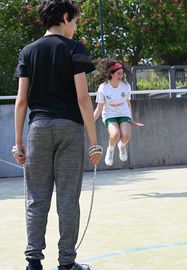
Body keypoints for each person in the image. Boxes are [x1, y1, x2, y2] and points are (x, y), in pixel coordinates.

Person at [12, 1, 102, 270]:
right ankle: (66, 263)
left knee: (36, 198)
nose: (75, 26)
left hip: (38, 129)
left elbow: (21, 100)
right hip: (69, 129)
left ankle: (33, 263)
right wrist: (94, 142)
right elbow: (84, 100)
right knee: (67, 199)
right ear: (65, 17)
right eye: (75, 20)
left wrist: (18, 142)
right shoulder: (75, 49)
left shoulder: (28, 52)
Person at [94, 58, 143, 167]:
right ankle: (110, 150)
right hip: (109, 115)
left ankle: (121, 146)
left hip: (123, 113)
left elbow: (128, 103)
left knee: (125, 136)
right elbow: (99, 108)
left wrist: (131, 118)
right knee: (115, 134)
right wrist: (89, 122)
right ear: (111, 74)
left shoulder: (126, 86)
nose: (121, 75)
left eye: (122, 73)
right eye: (118, 73)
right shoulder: (103, 88)